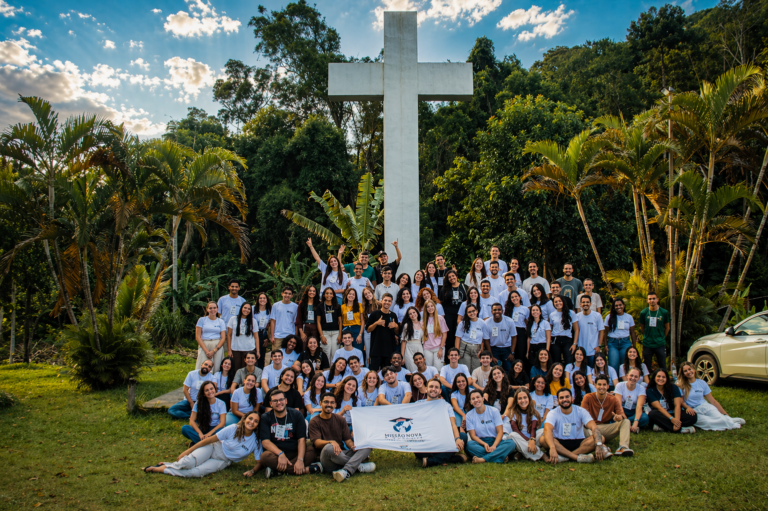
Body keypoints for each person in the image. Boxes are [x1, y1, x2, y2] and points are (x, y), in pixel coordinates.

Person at [144, 412, 262, 477]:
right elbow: (210, 440)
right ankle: (168, 465)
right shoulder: (233, 428)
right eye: (250, 418)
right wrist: (187, 451)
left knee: (194, 473)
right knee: (187, 462)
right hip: (214, 448)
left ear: (258, 425)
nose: (252, 422)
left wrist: (252, 471)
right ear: (245, 419)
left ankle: (162, 469)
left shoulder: (256, 441)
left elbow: (258, 462)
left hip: (223, 461)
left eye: (255, 421)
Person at [309, 392, 376, 482]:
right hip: (327, 459)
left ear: (335, 405)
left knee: (367, 443)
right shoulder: (314, 421)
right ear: (320, 403)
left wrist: (353, 446)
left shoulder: (340, 419)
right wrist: (331, 442)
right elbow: (317, 443)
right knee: (329, 447)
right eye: (326, 402)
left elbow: (347, 440)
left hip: (341, 453)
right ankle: (358, 465)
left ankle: (346, 470)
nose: (329, 404)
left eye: (332, 402)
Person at [260, 389, 321, 478]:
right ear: (270, 404)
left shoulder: (296, 414)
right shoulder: (265, 417)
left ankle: (278, 472)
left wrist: (300, 459)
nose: (279, 402)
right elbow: (265, 442)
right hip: (276, 454)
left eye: (281, 399)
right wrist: (281, 454)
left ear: (286, 401)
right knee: (265, 457)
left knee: (311, 451)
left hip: (295, 452)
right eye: (275, 401)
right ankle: (307, 470)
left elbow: (301, 439)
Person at [540, 388, 604, 464]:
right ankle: (576, 457)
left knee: (601, 438)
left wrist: (599, 444)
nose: (565, 399)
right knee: (543, 439)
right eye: (561, 398)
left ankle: (565, 457)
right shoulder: (553, 413)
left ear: (572, 398)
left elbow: (594, 427)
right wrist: (552, 447)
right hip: (559, 443)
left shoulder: (581, 411)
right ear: (557, 401)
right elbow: (547, 429)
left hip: (578, 442)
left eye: (567, 397)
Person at [415, 380, 468, 467]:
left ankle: (432, 460)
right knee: (418, 450)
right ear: (426, 389)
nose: (433, 389)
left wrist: (457, 438)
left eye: (436, 387)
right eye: (431, 386)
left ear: (440, 391)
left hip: (443, 440)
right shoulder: (418, 405)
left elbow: (453, 424)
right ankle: (449, 457)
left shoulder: (447, 406)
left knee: (463, 437)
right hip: (426, 441)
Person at [677, 361, 745, 430]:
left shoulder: (702, 383)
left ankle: (727, 419)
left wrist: (726, 414)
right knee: (707, 422)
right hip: (693, 410)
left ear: (694, 369)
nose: (688, 372)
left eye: (689, 369)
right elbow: (681, 401)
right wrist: (688, 408)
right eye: (685, 371)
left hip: (705, 406)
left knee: (719, 417)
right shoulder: (681, 385)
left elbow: (712, 401)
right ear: (683, 374)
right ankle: (731, 423)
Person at [581, 375, 634, 456]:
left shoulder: (613, 399)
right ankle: (603, 447)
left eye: (604, 384)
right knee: (587, 428)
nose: (602, 387)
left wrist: (619, 417)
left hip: (603, 428)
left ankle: (623, 447)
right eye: (599, 384)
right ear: (595, 386)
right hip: (589, 429)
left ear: (608, 386)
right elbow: (583, 419)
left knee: (626, 421)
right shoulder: (588, 397)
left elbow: (623, 416)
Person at [465, 390, 516, 463]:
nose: (476, 400)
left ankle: (483, 459)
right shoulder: (469, 415)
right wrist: (484, 444)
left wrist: (494, 446)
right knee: (470, 445)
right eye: (473, 399)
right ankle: (499, 457)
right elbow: (473, 436)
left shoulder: (494, 411)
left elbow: (500, 432)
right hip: (481, 443)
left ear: (483, 398)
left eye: (478, 397)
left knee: (511, 443)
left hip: (496, 441)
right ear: (470, 402)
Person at [647, 369, 697, 434]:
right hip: (661, 414)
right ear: (654, 378)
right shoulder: (650, 390)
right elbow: (659, 407)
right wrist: (672, 419)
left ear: (667, 379)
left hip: (674, 413)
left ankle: (663, 427)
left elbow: (677, 405)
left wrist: (677, 420)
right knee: (652, 414)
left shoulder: (673, 387)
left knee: (693, 416)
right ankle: (681, 430)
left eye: (663, 377)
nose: (661, 378)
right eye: (658, 376)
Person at [506, 388, 546, 461]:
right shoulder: (513, 412)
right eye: (520, 398)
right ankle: (542, 456)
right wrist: (528, 442)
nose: (523, 400)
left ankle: (521, 453)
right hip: (520, 440)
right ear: (517, 401)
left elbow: (533, 428)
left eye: (525, 397)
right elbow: (516, 430)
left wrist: (532, 439)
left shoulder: (533, 412)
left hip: (532, 439)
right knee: (512, 435)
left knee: (543, 431)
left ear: (529, 399)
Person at [182, 381, 227, 445]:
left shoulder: (221, 403)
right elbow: (192, 420)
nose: (210, 391)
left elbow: (222, 423)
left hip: (215, 429)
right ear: (203, 394)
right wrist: (200, 433)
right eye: (207, 390)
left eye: (211, 389)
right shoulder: (198, 403)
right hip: (203, 428)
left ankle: (199, 443)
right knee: (185, 428)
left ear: (215, 389)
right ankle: (208, 443)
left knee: (223, 432)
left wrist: (209, 433)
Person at [307, 238, 348, 303]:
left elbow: (344, 289)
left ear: (338, 262)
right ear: (329, 263)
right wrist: (311, 246)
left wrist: (331, 292)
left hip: (337, 297)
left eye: (335, 261)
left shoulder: (344, 274)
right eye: (331, 262)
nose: (333, 263)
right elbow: (317, 257)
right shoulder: (325, 269)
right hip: (324, 296)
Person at [365, 293, 399, 371]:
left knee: (388, 373)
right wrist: (376, 323)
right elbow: (368, 329)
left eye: (389, 301)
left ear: (391, 302)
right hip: (376, 350)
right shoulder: (374, 314)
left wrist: (396, 326)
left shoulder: (393, 315)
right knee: (373, 372)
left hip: (389, 351)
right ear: (382, 301)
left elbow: (396, 332)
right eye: (385, 300)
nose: (387, 302)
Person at [604, 297, 638, 374]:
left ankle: (625, 383)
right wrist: (605, 345)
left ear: (623, 305)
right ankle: (615, 384)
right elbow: (605, 333)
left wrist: (634, 346)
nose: (618, 307)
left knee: (625, 365)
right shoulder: (609, 317)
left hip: (625, 342)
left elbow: (632, 332)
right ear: (613, 307)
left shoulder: (629, 317)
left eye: (620, 305)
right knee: (613, 365)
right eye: (616, 305)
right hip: (612, 343)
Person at [638, 291, 670, 372]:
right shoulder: (643, 313)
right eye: (650, 299)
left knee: (662, 366)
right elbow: (642, 327)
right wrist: (647, 335)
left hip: (660, 343)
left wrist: (662, 337)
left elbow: (667, 328)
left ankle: (664, 383)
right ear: (647, 301)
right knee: (646, 367)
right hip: (647, 343)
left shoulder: (664, 312)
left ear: (657, 300)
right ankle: (648, 383)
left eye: (654, 298)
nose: (652, 300)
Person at [440, 270, 467, 364]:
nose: (452, 278)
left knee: (461, 335)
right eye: (449, 277)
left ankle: (460, 357)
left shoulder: (463, 286)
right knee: (450, 337)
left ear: (456, 276)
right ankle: (448, 360)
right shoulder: (445, 289)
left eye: (453, 276)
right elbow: (442, 303)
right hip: (449, 315)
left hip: (461, 315)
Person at [455, 304, 490, 373]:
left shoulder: (482, 323)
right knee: (465, 370)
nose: (472, 313)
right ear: (467, 314)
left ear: (477, 311)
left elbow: (484, 339)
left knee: (476, 370)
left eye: (473, 311)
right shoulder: (462, 323)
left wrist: (481, 349)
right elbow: (457, 338)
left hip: (477, 349)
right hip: (465, 348)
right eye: (469, 312)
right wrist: (457, 352)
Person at [195, 302, 227, 373]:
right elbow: (198, 336)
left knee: (217, 368)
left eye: (214, 308)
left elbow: (223, 338)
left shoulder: (221, 321)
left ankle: (215, 383)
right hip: (204, 344)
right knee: (202, 366)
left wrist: (214, 350)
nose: (213, 310)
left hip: (217, 345)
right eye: (210, 308)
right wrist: (207, 351)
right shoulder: (202, 320)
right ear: (207, 309)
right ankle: (200, 383)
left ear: (217, 309)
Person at [227, 303, 258, 374]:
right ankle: (235, 384)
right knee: (235, 369)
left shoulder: (253, 321)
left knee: (248, 370)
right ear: (241, 308)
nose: (246, 310)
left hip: (249, 348)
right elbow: (229, 335)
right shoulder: (233, 319)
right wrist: (229, 350)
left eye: (249, 309)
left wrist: (258, 351)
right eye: (245, 308)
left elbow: (256, 337)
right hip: (235, 348)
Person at [549, 296, 579, 367]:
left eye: (560, 301)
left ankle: (567, 377)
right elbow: (550, 329)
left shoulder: (571, 313)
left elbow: (576, 329)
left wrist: (574, 343)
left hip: (567, 340)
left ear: (563, 302)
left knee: (569, 362)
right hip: (555, 340)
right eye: (556, 302)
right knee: (556, 362)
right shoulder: (552, 314)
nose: (558, 303)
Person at [485, 303, 516, 372]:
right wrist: (491, 356)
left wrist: (512, 352)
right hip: (494, 349)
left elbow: (514, 336)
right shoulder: (486, 323)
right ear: (491, 311)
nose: (497, 311)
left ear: (502, 311)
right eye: (495, 310)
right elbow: (486, 340)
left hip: (507, 349)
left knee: (509, 369)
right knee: (494, 370)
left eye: (499, 310)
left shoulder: (509, 321)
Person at [576, 295, 605, 367]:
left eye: (587, 302)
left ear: (590, 304)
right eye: (583, 302)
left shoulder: (597, 316)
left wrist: (599, 345)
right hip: (580, 352)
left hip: (593, 351)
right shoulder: (577, 316)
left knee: (593, 372)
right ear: (580, 304)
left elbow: (601, 331)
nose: (585, 304)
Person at [504, 291, 530, 369]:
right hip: (510, 333)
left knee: (521, 354)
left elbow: (527, 322)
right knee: (511, 353)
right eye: (512, 297)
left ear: (520, 297)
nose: (514, 298)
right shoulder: (508, 309)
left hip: (521, 332)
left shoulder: (525, 309)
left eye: (516, 296)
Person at [269, 286, 299, 351]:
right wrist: (272, 336)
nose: (287, 295)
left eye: (289, 294)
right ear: (282, 294)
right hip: (278, 336)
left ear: (292, 295)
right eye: (285, 293)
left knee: (288, 357)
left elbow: (296, 323)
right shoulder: (276, 305)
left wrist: (296, 337)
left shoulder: (295, 307)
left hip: (290, 336)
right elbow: (272, 321)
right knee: (276, 356)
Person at [422, 300, 448, 371]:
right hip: (427, 348)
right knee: (429, 369)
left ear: (434, 307)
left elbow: (444, 334)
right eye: (428, 307)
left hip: (438, 347)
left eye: (432, 306)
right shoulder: (423, 320)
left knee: (438, 369)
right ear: (426, 309)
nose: (430, 308)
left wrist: (441, 348)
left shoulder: (440, 318)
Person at [319, 288, 342, 364]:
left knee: (334, 353)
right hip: (325, 332)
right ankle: (326, 371)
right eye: (327, 293)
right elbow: (318, 322)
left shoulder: (337, 306)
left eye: (331, 293)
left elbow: (340, 321)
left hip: (336, 332)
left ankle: (333, 371)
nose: (329, 295)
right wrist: (321, 335)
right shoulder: (320, 306)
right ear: (324, 295)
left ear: (333, 295)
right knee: (326, 353)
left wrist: (340, 335)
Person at [296, 285, 322, 350]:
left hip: (315, 327)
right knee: (304, 346)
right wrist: (301, 332)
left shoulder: (318, 304)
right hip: (305, 327)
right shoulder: (302, 303)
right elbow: (299, 318)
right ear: (307, 292)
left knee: (315, 346)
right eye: (310, 291)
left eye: (314, 291)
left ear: (316, 293)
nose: (312, 292)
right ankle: (304, 360)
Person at [340, 288, 364, 354]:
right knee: (346, 351)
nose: (351, 296)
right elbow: (340, 321)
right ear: (346, 295)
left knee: (358, 350)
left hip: (356, 329)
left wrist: (360, 334)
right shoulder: (342, 307)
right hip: (346, 329)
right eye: (350, 294)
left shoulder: (359, 305)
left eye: (353, 294)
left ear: (355, 296)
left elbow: (362, 320)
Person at [526, 304, 551, 368]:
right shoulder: (530, 323)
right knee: (532, 365)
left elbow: (548, 338)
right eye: (533, 310)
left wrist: (547, 351)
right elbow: (529, 338)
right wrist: (527, 351)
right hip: (532, 347)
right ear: (531, 312)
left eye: (537, 310)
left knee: (542, 365)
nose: (535, 311)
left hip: (542, 346)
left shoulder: (545, 323)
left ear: (540, 312)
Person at [400, 307, 424, 372]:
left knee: (421, 369)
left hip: (419, 347)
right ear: (408, 316)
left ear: (417, 313)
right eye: (410, 314)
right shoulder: (407, 325)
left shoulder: (423, 324)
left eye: (414, 312)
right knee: (412, 370)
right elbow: (403, 341)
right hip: (409, 349)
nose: (412, 314)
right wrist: (402, 356)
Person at [360, 287, 380, 366]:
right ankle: (368, 368)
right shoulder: (363, 306)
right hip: (367, 331)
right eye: (365, 294)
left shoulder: (379, 304)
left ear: (372, 293)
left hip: (378, 331)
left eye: (369, 293)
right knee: (368, 351)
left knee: (378, 350)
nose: (368, 295)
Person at [253, 293, 272, 369]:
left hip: (263, 333)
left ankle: (260, 373)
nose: (262, 300)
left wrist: (267, 338)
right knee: (252, 354)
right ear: (258, 300)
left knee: (261, 356)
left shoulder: (269, 310)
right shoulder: (252, 309)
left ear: (267, 300)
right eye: (260, 298)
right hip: (253, 333)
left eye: (264, 298)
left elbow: (270, 325)